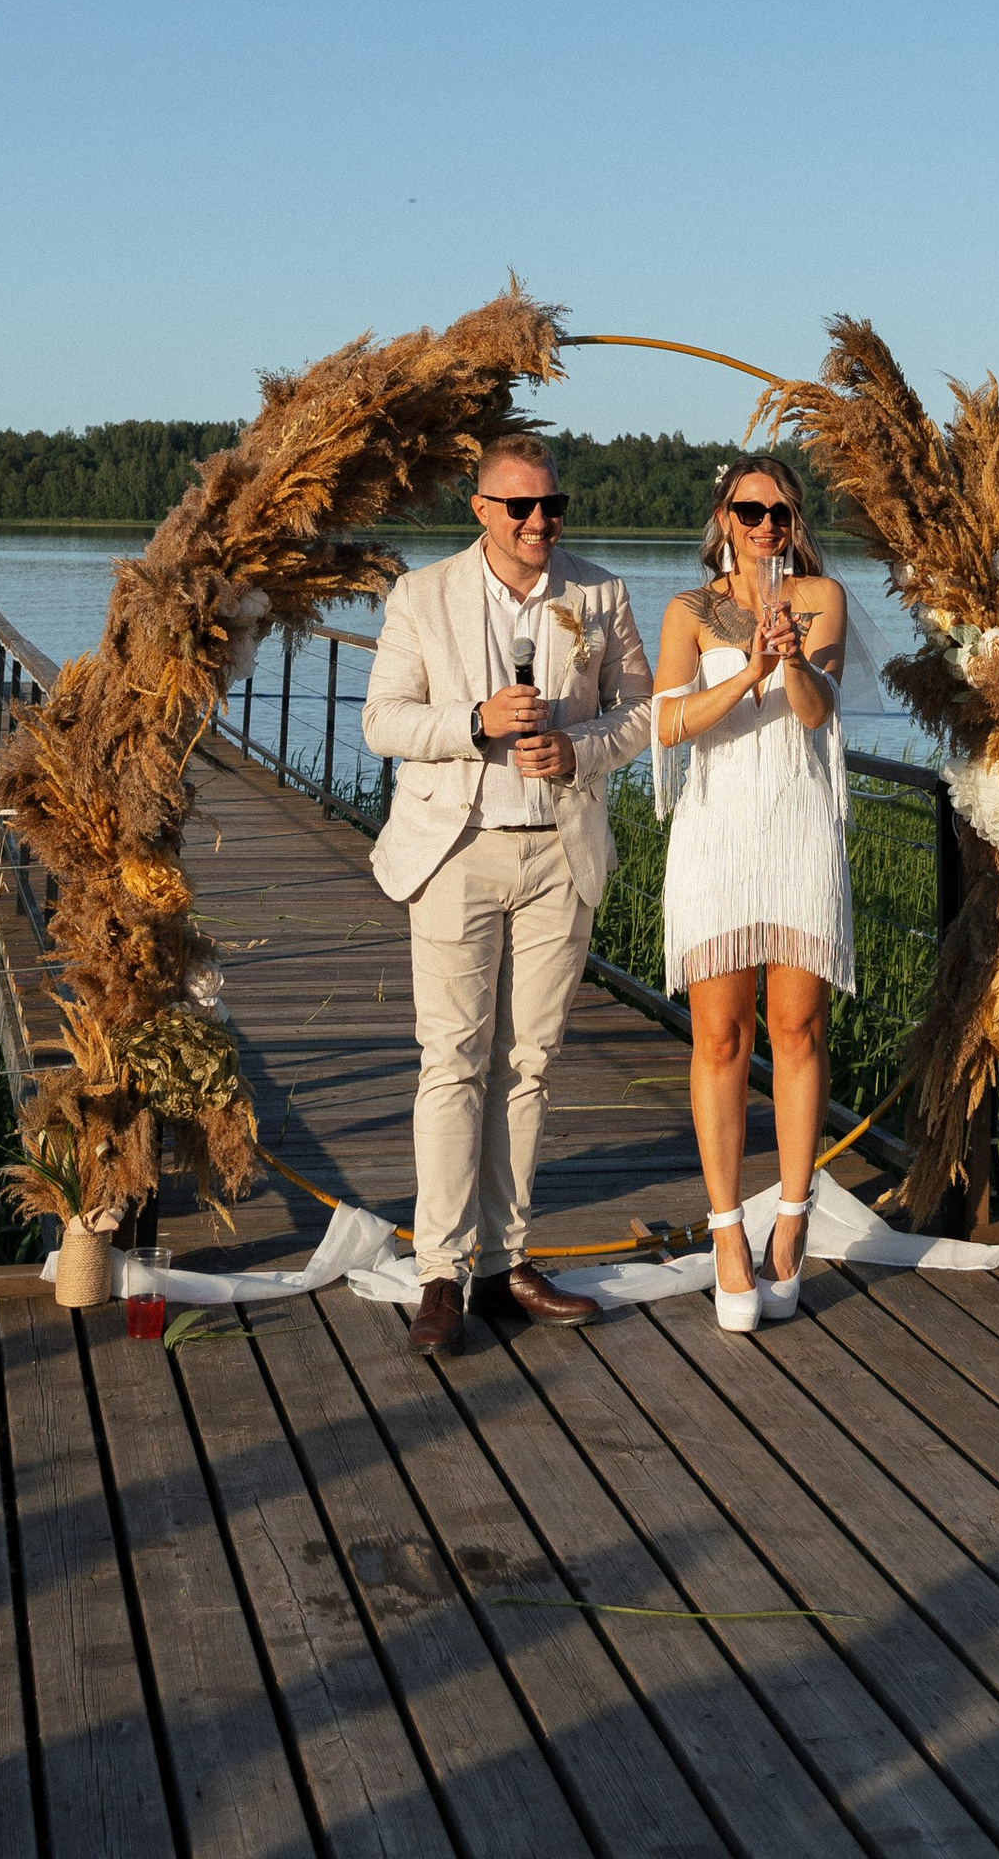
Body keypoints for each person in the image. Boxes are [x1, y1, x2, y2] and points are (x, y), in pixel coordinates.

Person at [360, 429, 655, 1354]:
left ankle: (505, 1260)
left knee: (530, 1062)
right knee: (453, 1060)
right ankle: (441, 1272)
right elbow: (382, 721)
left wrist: (582, 748)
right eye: (521, 507)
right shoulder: (422, 595)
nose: (540, 522)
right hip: (458, 850)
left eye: (552, 506)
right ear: (481, 509)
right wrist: (473, 721)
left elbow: (640, 711)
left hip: (559, 855)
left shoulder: (599, 592)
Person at [652, 457, 852, 1330]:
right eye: (750, 509)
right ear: (724, 518)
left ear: (794, 519)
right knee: (720, 1035)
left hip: (797, 822)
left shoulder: (820, 599)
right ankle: (728, 1231)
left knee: (798, 1028)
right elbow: (666, 719)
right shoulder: (690, 611)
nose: (767, 523)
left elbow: (816, 714)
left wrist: (792, 660)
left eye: (780, 510)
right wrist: (742, 674)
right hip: (719, 829)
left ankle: (792, 1223)